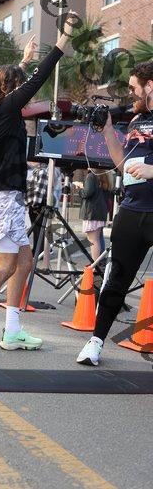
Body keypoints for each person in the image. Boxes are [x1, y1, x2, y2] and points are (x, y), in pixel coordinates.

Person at [0, 13, 78, 356]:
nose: (26, 96)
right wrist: (63, 38)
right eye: (18, 87)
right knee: (6, 264)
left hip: (9, 197)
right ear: (12, 89)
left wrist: (22, 62)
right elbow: (38, 79)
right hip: (4, 198)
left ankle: (13, 330)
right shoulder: (7, 109)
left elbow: (18, 82)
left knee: (24, 262)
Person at [77, 61, 153, 366]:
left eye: (134, 87)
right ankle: (95, 343)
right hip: (132, 210)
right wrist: (108, 130)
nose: (130, 93)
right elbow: (123, 164)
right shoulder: (136, 120)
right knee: (116, 279)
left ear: (150, 86)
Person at [78, 169, 108, 262]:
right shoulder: (104, 175)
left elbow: (87, 193)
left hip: (91, 212)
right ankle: (97, 263)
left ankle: (95, 265)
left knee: (93, 240)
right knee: (97, 239)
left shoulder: (91, 176)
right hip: (99, 211)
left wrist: (80, 188)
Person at [26, 162, 49, 258]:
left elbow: (40, 190)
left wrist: (35, 205)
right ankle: (37, 249)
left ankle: (39, 251)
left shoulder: (42, 172)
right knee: (36, 229)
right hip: (33, 203)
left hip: (38, 204)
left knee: (39, 230)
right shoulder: (36, 171)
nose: (30, 162)